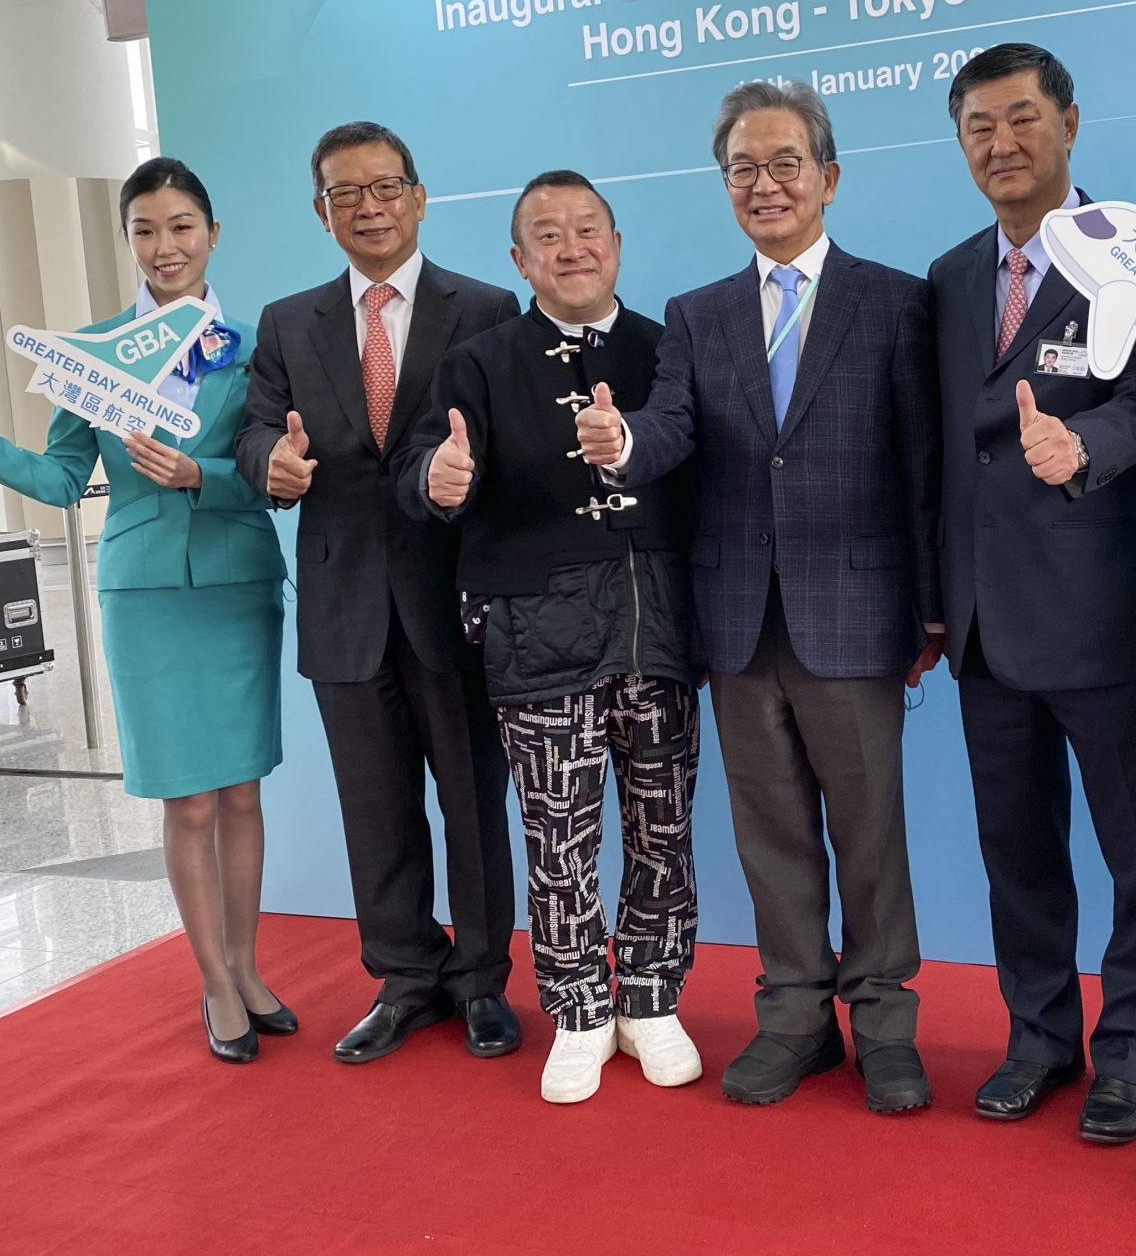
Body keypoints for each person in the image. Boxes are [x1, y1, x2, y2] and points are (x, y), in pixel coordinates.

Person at [574, 81, 942, 1115]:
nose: (765, 184)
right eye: (743, 168)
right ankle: (793, 1017)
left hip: (858, 614)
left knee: (871, 830)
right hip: (736, 620)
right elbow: (672, 429)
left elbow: (921, 467)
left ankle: (884, 1022)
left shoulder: (895, 301)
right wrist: (622, 445)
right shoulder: (699, 316)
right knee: (768, 832)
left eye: (785, 164)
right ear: (724, 185)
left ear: (828, 177)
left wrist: (933, 607)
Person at [0, 158, 291, 1064]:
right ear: (127, 240)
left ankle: (247, 969)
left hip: (238, 584)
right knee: (190, 803)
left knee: (241, 791)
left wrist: (198, 473)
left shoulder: (258, 348)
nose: (164, 246)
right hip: (142, 595)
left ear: (212, 233)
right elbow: (59, 478)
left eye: (180, 227)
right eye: (145, 230)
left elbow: (276, 481)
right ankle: (214, 985)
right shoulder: (86, 354)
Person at [926, 43, 1136, 1145]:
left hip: (1101, 613)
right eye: (979, 126)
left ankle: (1135, 1051)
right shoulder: (946, 279)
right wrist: (933, 607)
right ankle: (1039, 1037)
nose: (1002, 143)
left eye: (1023, 119)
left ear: (1071, 126)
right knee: (1017, 854)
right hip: (984, 628)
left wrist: (1080, 446)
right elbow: (941, 453)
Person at [393, 170, 703, 1105]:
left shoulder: (667, 348)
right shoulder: (477, 363)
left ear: (617, 244)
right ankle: (576, 1010)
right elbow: (422, 470)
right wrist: (437, 482)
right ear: (519, 260)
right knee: (556, 838)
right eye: (548, 235)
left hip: (657, 626)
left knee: (662, 827)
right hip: (535, 633)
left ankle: (650, 999)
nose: (572, 247)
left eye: (588, 229)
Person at [235, 121, 523, 1066]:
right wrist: (267, 464)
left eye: (385, 186)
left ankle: (480, 982)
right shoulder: (288, 322)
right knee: (376, 806)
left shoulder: (483, 307)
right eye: (344, 194)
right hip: (341, 601)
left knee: (474, 804)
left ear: (418, 196)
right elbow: (249, 435)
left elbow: (503, 446)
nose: (368, 206)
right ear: (321, 214)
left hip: (454, 600)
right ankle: (405, 978)